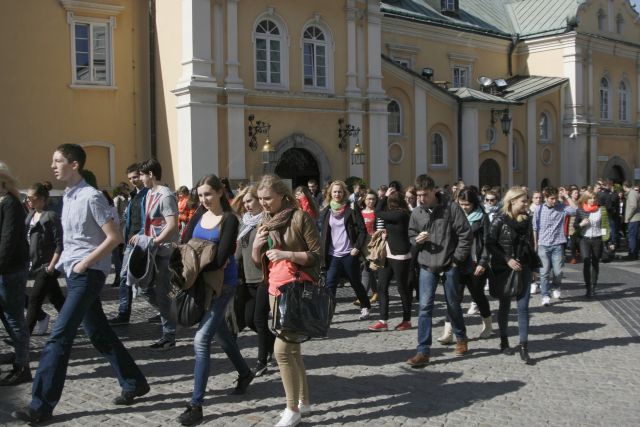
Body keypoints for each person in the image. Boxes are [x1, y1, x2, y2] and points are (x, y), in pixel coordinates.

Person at [13, 145, 148, 424]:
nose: (53, 165)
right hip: (74, 273)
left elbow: (115, 237)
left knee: (58, 337)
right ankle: (134, 382)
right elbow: (74, 240)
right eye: (53, 160)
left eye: (58, 161)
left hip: (87, 275)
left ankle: (40, 405)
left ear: (74, 165)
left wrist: (86, 263)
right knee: (98, 332)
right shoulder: (68, 197)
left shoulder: (91, 197)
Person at [177, 175, 253, 426]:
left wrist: (198, 257)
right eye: (200, 195)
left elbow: (221, 258)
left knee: (201, 339)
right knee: (221, 335)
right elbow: (184, 244)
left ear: (220, 192)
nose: (204, 199)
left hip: (224, 285)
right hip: (201, 284)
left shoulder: (230, 219)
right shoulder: (199, 214)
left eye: (208, 194)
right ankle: (244, 372)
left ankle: (196, 405)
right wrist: (201, 255)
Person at [251, 174, 320, 427]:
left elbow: (316, 255)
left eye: (267, 198)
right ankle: (305, 401)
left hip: (297, 290)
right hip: (274, 290)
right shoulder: (265, 221)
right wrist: (256, 248)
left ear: (282, 195)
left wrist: (286, 253)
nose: (263, 203)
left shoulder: (300, 217)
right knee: (293, 350)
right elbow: (260, 263)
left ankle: (292, 410)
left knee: (281, 351)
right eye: (260, 199)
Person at [406, 175, 472, 368]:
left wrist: (457, 259)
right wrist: (416, 240)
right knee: (425, 307)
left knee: (453, 304)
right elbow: (410, 234)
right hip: (426, 264)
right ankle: (423, 351)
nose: (421, 198)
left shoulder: (451, 208)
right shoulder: (417, 213)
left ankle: (461, 337)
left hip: (449, 263)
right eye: (418, 195)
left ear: (434, 191)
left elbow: (465, 234)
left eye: (424, 194)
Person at [487, 187, 537, 365]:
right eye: (523, 201)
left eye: (527, 200)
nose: (526, 204)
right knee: (505, 305)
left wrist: (534, 267)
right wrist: (507, 259)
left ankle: (524, 346)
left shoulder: (527, 220)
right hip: (504, 268)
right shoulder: (499, 220)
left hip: (523, 266)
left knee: (523, 307)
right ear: (513, 201)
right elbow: (490, 243)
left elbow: (530, 245)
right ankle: (504, 340)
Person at [231, 185, 275, 377]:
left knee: (259, 318)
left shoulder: (266, 222)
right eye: (245, 201)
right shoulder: (245, 223)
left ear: (259, 200)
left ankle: (261, 362)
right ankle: (273, 343)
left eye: (251, 201)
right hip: (247, 278)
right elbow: (239, 252)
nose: (247, 205)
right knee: (249, 320)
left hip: (264, 277)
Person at [137, 158, 179, 349]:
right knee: (143, 288)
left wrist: (156, 241)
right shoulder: (147, 194)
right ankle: (171, 311)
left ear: (151, 174)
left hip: (164, 252)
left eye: (141, 175)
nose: (140, 178)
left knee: (163, 293)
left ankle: (169, 334)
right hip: (150, 250)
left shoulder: (165, 195)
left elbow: (171, 225)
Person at [319, 180, 372, 320]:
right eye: (335, 191)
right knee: (330, 283)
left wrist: (357, 247)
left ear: (344, 193)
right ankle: (329, 311)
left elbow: (362, 230)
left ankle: (365, 306)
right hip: (332, 255)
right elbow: (322, 232)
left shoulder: (352, 209)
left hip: (349, 253)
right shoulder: (326, 211)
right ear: (331, 193)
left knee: (355, 282)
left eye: (340, 191)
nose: (337, 194)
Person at [0, 161, 31, 386]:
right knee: (8, 318)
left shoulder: (11, 203)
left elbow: (8, 242)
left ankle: (22, 366)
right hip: (4, 270)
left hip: (10, 271)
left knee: (13, 318)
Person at [368, 188, 413, 332]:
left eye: (389, 201)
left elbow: (378, 212)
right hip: (387, 254)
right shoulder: (395, 214)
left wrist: (382, 198)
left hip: (400, 256)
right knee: (382, 287)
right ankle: (383, 320)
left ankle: (407, 320)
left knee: (402, 289)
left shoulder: (402, 214)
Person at [109, 163, 148, 326]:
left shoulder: (148, 194)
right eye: (130, 178)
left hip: (141, 240)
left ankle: (165, 309)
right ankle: (124, 312)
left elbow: (148, 219)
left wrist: (140, 234)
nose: (133, 181)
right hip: (130, 241)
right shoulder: (133, 195)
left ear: (143, 175)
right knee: (126, 277)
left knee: (146, 281)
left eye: (135, 177)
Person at [24, 183, 65, 336]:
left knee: (34, 299)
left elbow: (60, 243)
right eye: (26, 198)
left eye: (30, 198)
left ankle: (23, 338)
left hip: (47, 266)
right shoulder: (31, 215)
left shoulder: (51, 216)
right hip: (35, 265)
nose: (28, 200)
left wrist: (52, 266)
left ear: (41, 199)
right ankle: (73, 322)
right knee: (57, 299)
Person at [454, 188, 492, 339]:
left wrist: (483, 262)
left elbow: (487, 242)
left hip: (475, 262)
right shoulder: (455, 215)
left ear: (474, 203)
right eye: (461, 204)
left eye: (467, 204)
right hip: (457, 262)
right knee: (454, 297)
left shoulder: (482, 217)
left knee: (477, 295)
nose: (464, 207)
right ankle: (449, 330)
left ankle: (487, 324)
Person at [533, 186, 576, 306]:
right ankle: (545, 295)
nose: (554, 201)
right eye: (552, 198)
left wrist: (566, 196)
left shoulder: (562, 207)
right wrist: (535, 244)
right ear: (545, 197)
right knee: (544, 272)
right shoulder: (539, 209)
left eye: (556, 198)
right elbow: (535, 228)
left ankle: (556, 287)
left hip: (557, 244)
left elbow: (575, 210)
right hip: (543, 244)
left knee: (558, 272)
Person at [574, 189, 612, 297]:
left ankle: (593, 286)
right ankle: (588, 288)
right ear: (586, 199)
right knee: (586, 262)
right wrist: (581, 224)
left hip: (597, 239)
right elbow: (575, 226)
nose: (593, 200)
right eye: (590, 198)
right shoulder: (581, 210)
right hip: (584, 239)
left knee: (595, 263)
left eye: (594, 198)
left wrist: (608, 240)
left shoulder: (601, 210)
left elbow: (605, 226)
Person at [357, 190, 378, 304]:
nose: (371, 201)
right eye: (369, 199)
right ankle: (375, 292)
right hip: (362, 243)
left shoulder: (377, 212)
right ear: (364, 200)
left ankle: (363, 295)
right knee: (370, 269)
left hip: (373, 243)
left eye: (373, 199)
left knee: (368, 268)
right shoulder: (360, 213)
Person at [623, 182, 640, 260]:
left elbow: (633, 206)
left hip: (633, 219)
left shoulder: (631, 193)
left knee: (632, 237)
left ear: (625, 186)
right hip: (636, 218)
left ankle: (632, 254)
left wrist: (628, 217)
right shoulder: (634, 192)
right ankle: (634, 254)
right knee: (635, 237)